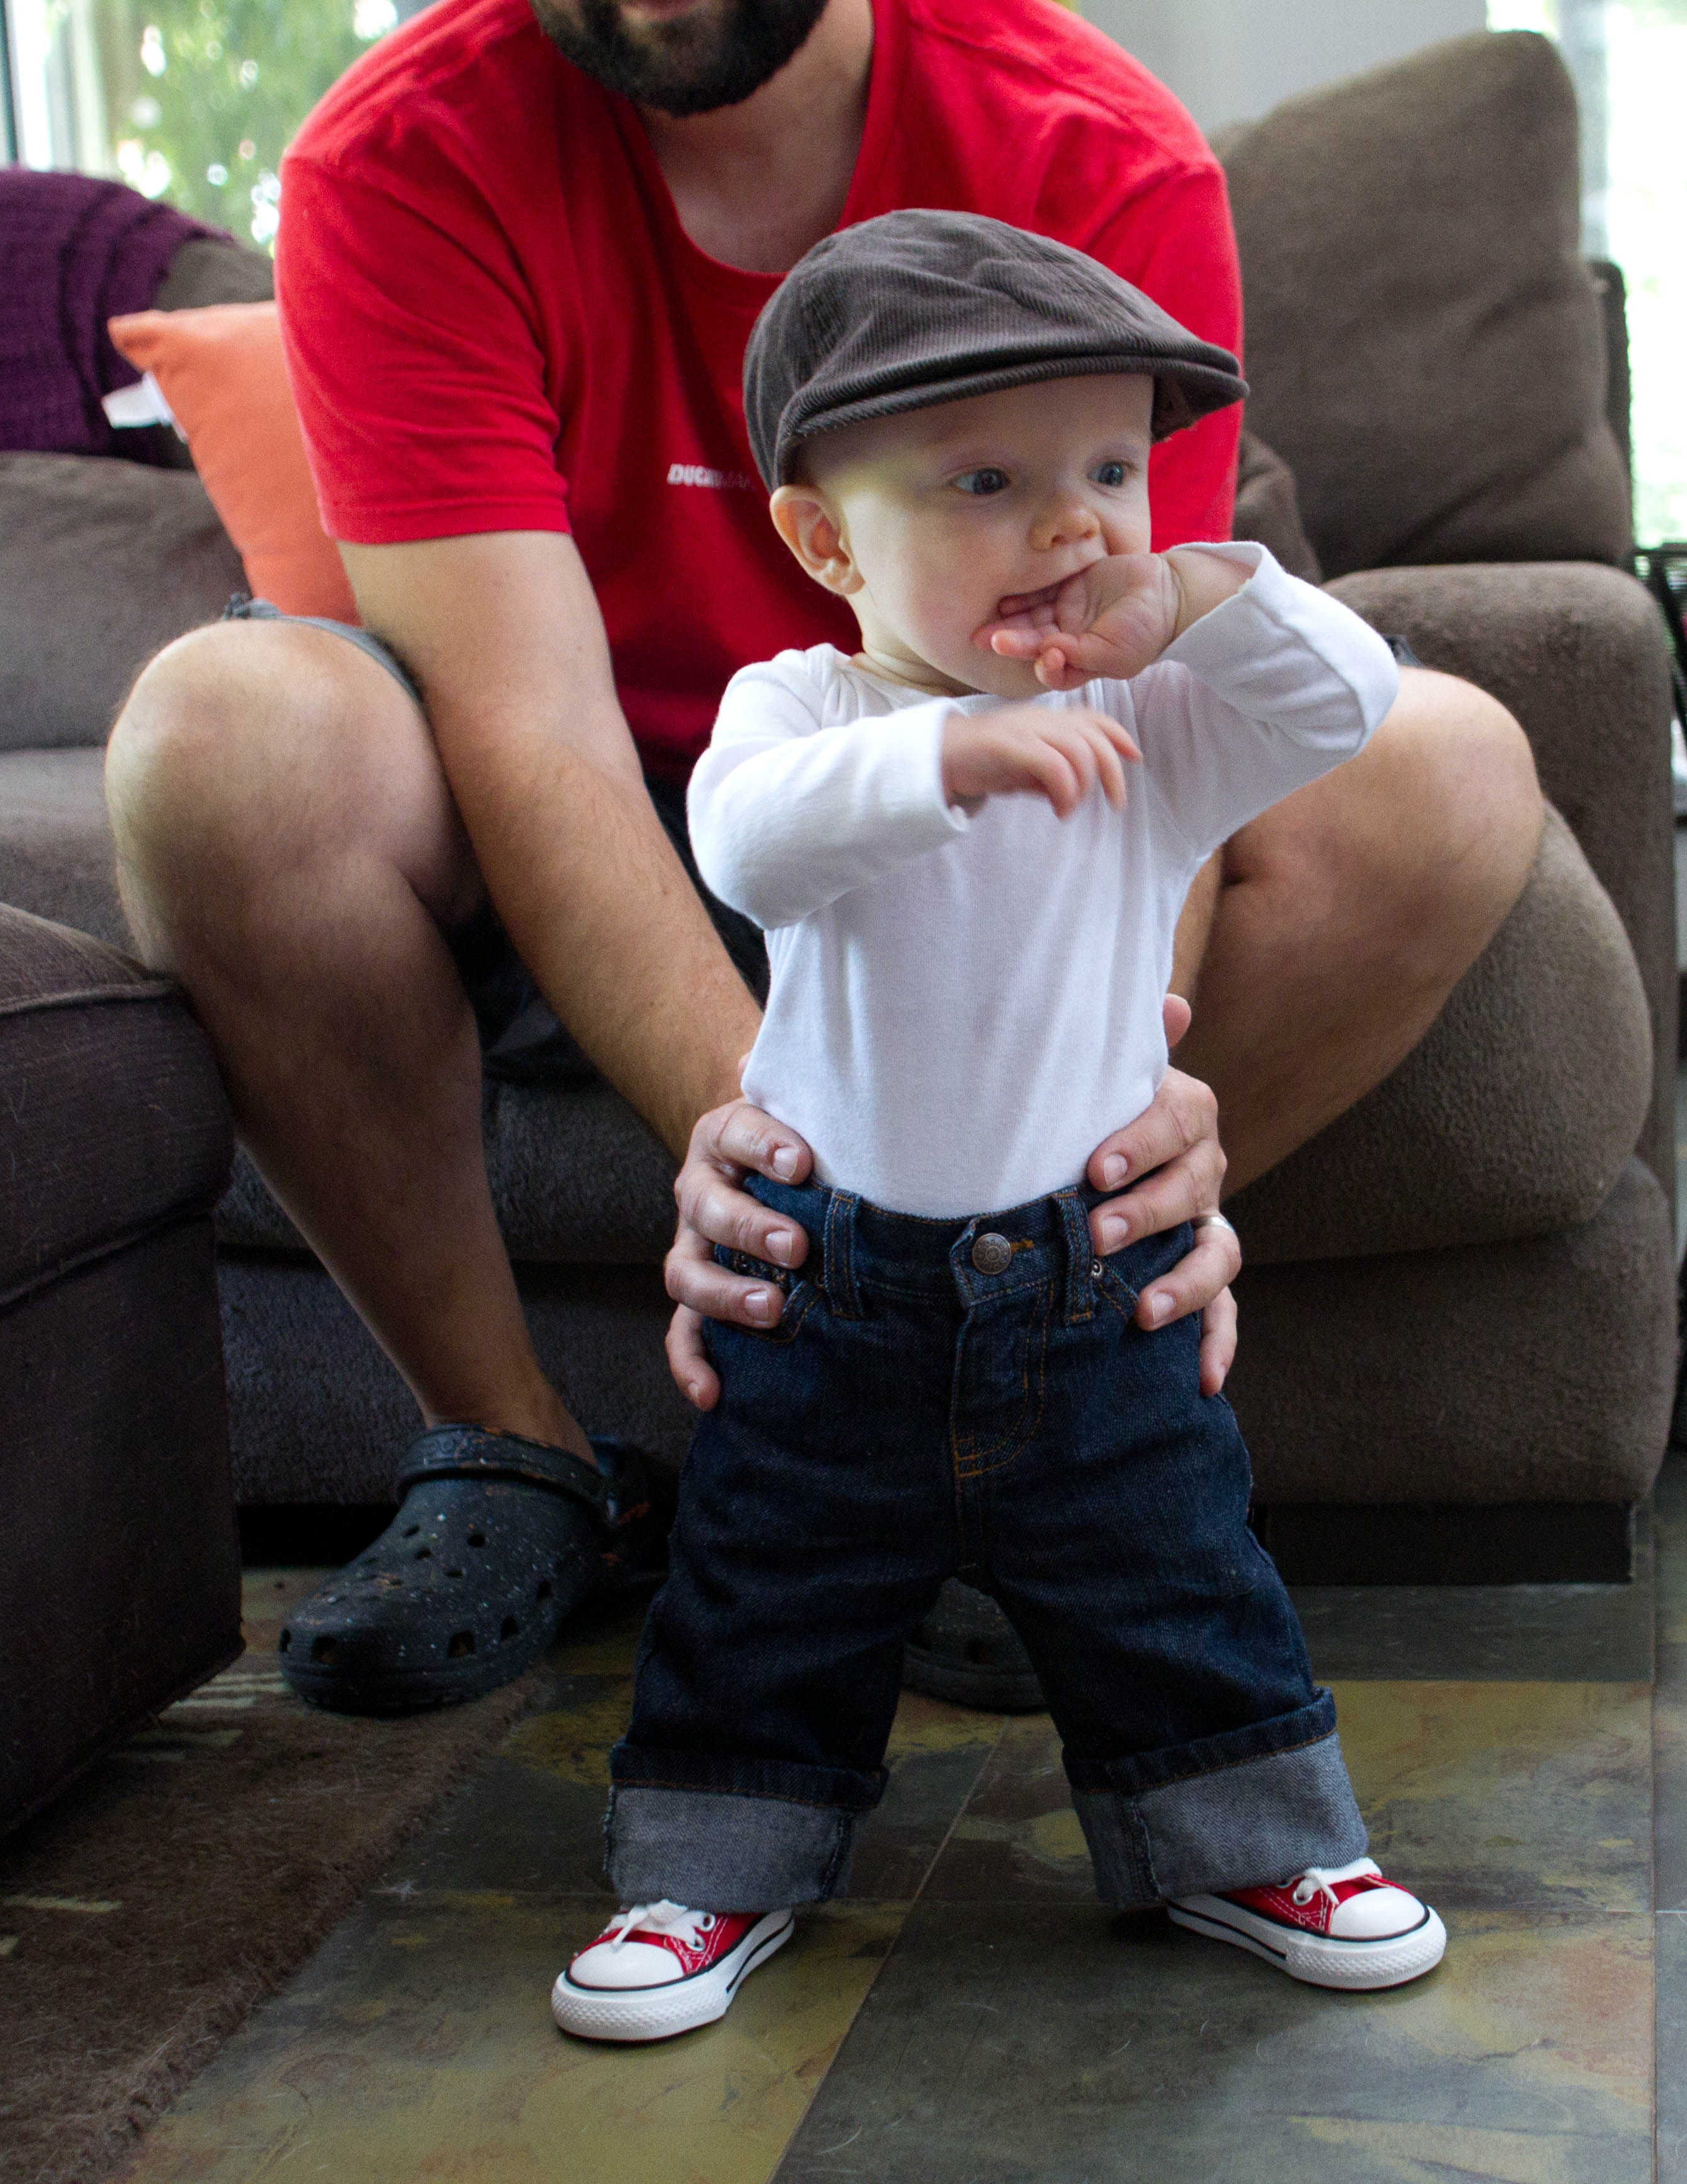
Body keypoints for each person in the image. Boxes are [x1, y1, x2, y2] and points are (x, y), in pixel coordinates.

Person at [102, 0, 1544, 1715]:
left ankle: (1028, 1385)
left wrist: (1094, 1093)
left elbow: (1136, 695)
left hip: (1006, 821)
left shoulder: (1095, 149)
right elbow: (530, 734)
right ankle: (512, 1446)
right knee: (221, 738)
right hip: (613, 810)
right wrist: (805, 1188)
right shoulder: (396, 159)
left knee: (1452, 770)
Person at [552, 213, 1445, 2044]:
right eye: (988, 482)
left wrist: (1200, 597)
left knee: (1173, 1574)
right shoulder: (801, 709)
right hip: (835, 1292)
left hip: (1086, 1275)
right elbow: (748, 845)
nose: (1075, 526)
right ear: (825, 540)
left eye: (1109, 470)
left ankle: (1251, 1844)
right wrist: (944, 755)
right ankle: (710, 1870)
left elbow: (1350, 701)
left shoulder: (1149, 718)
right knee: (767, 1594)